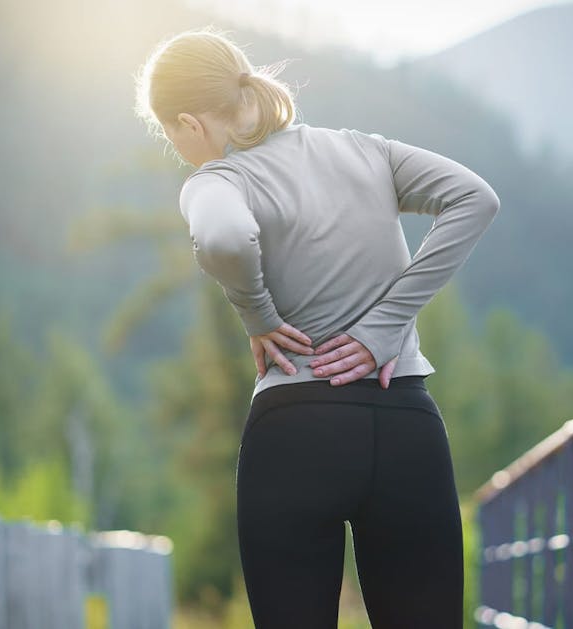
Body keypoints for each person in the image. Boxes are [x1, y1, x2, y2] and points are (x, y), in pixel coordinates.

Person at [135, 26, 500, 629]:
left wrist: (258, 314)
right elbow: (475, 198)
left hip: (295, 430)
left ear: (189, 124)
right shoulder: (366, 150)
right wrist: (385, 326)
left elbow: (224, 237)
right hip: (405, 421)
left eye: (171, 135)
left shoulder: (219, 180)